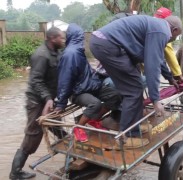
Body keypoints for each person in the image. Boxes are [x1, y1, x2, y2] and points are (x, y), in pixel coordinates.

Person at [89, 15, 183, 149]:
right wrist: (155, 99)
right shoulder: (162, 32)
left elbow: (158, 59)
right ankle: (126, 137)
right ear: (174, 30)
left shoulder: (157, 27)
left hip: (101, 43)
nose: (173, 39)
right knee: (133, 90)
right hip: (108, 45)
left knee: (133, 86)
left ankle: (134, 125)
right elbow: (152, 66)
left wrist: (170, 78)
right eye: (176, 36)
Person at [9, 27, 65, 179]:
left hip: (49, 101)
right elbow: (35, 80)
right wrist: (47, 98)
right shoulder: (41, 55)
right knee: (33, 136)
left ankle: (72, 154)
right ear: (52, 38)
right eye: (61, 38)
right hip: (37, 103)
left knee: (59, 128)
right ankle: (15, 173)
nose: (63, 40)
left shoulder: (57, 53)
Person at [54, 24, 122, 142]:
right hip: (77, 91)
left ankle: (93, 120)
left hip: (89, 86)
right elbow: (65, 80)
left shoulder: (79, 51)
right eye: (80, 36)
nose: (82, 39)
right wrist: (61, 103)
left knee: (115, 94)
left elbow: (88, 71)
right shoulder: (71, 54)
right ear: (75, 36)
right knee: (95, 104)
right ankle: (78, 127)